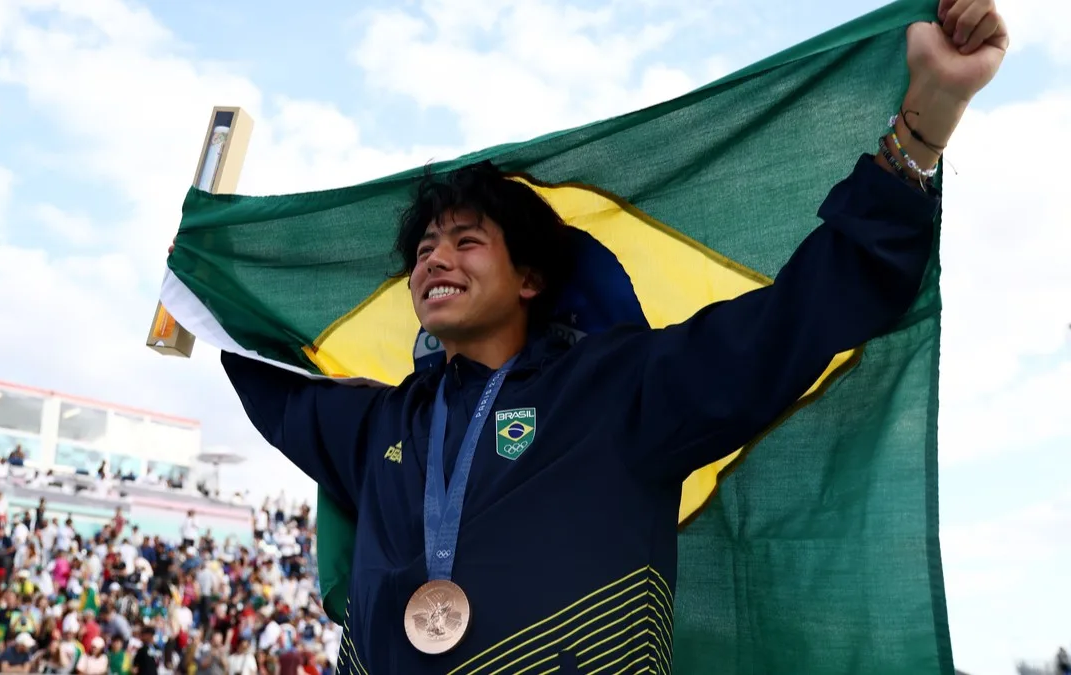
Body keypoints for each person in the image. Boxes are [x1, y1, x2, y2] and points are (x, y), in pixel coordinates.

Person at [215, 2, 1008, 672]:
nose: (433, 260)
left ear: (529, 279)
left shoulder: (623, 392)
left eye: (464, 240)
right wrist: (198, 286)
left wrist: (920, 132)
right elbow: (263, 372)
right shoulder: (381, 426)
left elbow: (792, 323)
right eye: (423, 248)